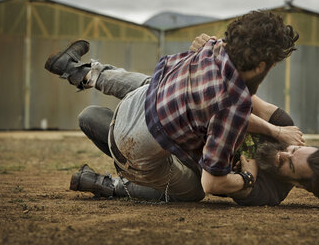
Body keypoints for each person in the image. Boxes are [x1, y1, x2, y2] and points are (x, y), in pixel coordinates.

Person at [45, 11, 299, 202]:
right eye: (271, 65)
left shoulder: (214, 48)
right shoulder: (233, 108)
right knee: (195, 192)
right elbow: (212, 183)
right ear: (259, 67)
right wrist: (248, 177)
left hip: (140, 102)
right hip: (130, 148)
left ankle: (81, 71)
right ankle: (106, 184)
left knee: (157, 83)